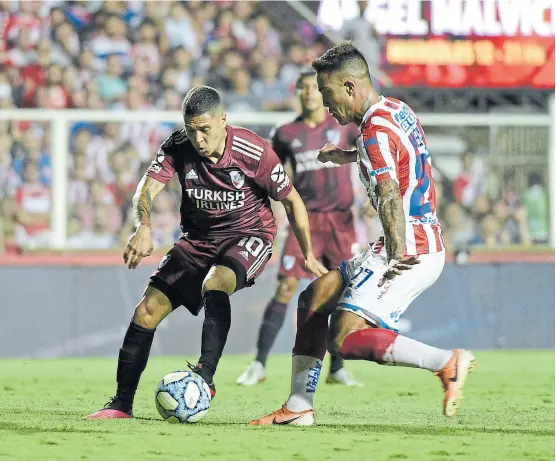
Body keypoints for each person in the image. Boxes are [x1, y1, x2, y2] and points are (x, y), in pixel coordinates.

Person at [249, 43, 476, 426]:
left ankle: (445, 362)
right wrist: (348, 155)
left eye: (327, 93)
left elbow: (387, 191)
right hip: (405, 239)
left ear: (351, 87)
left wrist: (396, 251)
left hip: (407, 245)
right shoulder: (396, 110)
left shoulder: (373, 133)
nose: (325, 103)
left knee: (344, 338)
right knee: (314, 296)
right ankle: (299, 408)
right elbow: (400, 152)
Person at [88, 86, 327, 419]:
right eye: (191, 130)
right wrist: (142, 226)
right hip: (198, 238)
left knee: (216, 282)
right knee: (145, 312)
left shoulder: (254, 150)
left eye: (205, 130)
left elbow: (291, 200)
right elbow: (147, 188)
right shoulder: (177, 146)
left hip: (248, 235)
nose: (198, 139)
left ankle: (206, 375)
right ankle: (121, 403)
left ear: (223, 120)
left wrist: (308, 254)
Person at [236, 69, 362, 387]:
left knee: (342, 292)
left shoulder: (343, 126)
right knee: (286, 287)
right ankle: (259, 364)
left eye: (313, 88)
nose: (308, 93)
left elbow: (367, 154)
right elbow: (269, 173)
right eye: (302, 88)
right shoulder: (285, 132)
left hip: (340, 222)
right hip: (304, 220)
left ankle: (337, 368)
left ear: (322, 92)